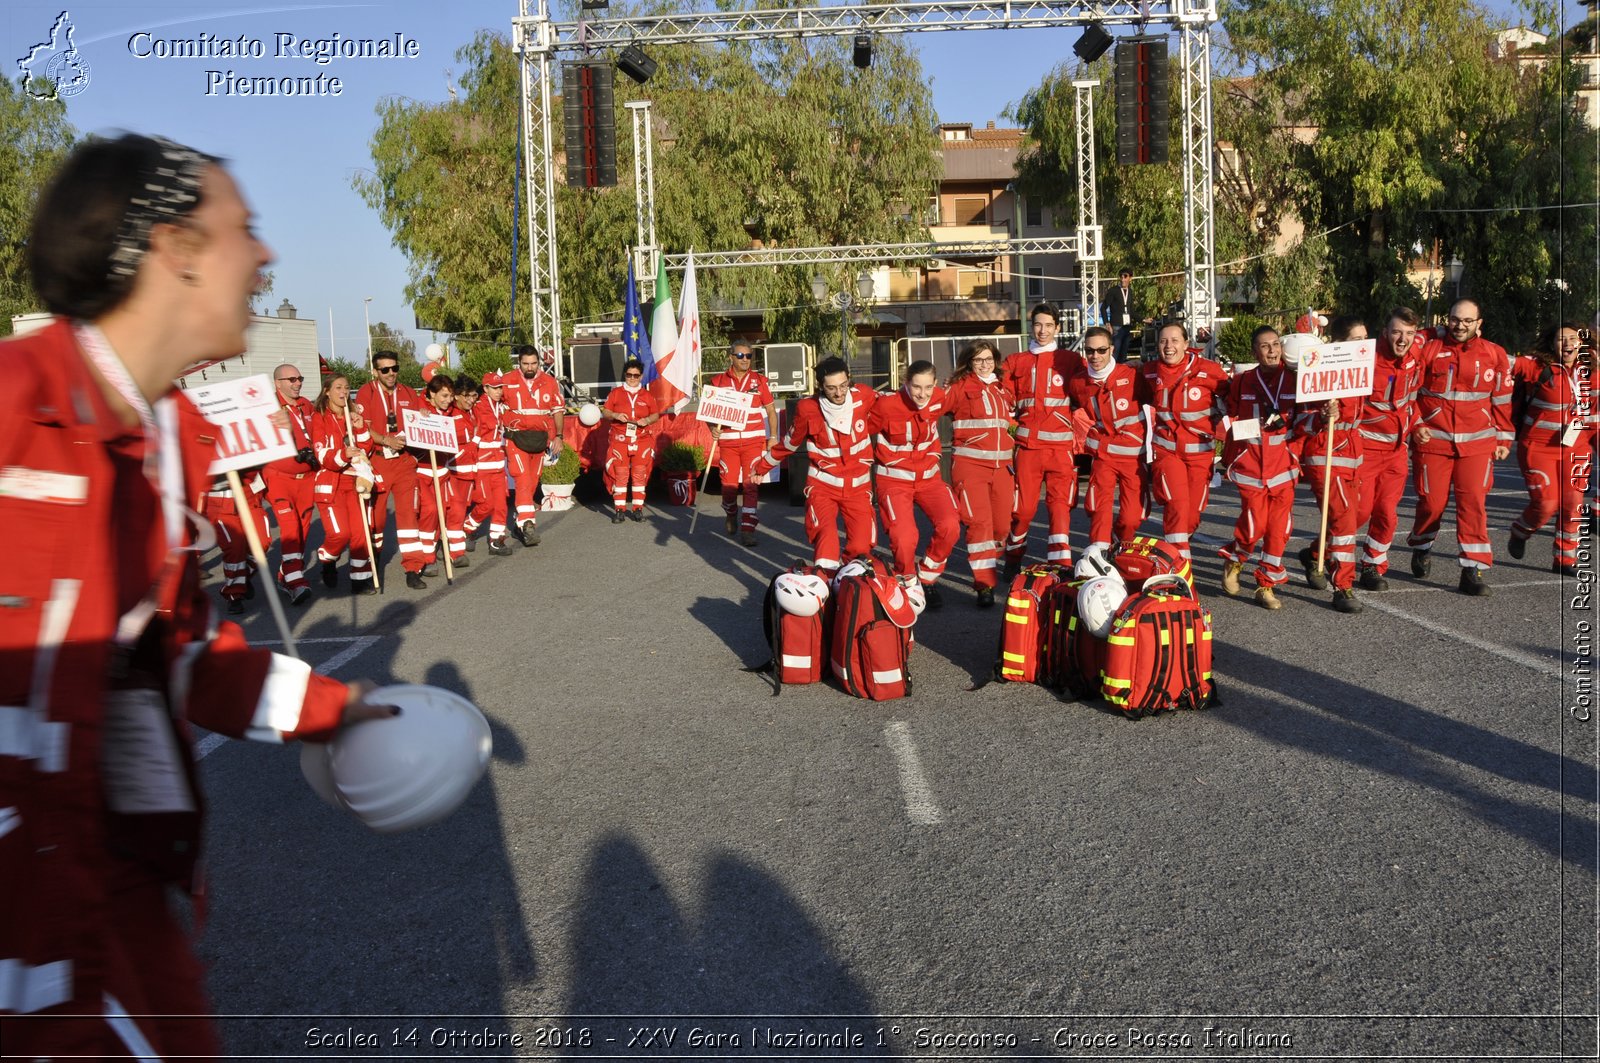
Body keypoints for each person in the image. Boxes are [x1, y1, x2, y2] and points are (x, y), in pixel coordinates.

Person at [0, 133, 394, 1058]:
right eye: (243, 230)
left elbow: (179, 650)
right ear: (174, 250)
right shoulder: (13, 407)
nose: (266, 257)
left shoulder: (175, 435)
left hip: (114, 882)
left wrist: (336, 706)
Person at [1407, 298, 1514, 595]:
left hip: (1478, 444)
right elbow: (1409, 389)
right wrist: (1417, 424)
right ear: (1447, 319)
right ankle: (1421, 544)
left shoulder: (1495, 354)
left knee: (1473, 505)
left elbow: (1502, 400)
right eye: (1455, 319)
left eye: (1468, 321)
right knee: (1432, 504)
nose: (1460, 326)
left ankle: (1473, 569)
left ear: (1479, 323)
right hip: (1433, 441)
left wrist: (1504, 437)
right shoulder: (1429, 347)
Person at [752, 356, 878, 573]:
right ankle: (825, 587)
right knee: (826, 541)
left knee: (861, 548)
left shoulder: (865, 396)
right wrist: (762, 467)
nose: (839, 393)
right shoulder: (807, 408)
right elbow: (790, 443)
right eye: (831, 388)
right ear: (820, 386)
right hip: (823, 487)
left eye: (843, 385)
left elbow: (894, 406)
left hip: (858, 487)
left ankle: (850, 589)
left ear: (849, 380)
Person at [1218, 326, 1301, 609]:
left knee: (1280, 528)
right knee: (1254, 526)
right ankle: (1235, 559)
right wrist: (1258, 426)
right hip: (1251, 465)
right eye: (1265, 346)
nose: (1272, 350)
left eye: (1276, 344)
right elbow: (1228, 422)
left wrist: (1326, 413)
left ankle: (1266, 584)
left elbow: (1304, 421)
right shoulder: (1242, 381)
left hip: (1284, 466)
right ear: (1255, 351)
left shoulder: (1294, 379)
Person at [1003, 302, 1086, 576]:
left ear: (1057, 328)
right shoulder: (1016, 361)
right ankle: (1013, 554)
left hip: (1060, 449)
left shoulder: (1071, 361)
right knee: (1023, 511)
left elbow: (1090, 387)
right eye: (1038, 324)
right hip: (1028, 449)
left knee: (1060, 507)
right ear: (1031, 326)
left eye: (1049, 325)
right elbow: (1000, 396)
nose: (1043, 330)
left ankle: (1060, 566)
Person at [1137, 321, 1230, 564]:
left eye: (1174, 340)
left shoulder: (1210, 370)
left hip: (1200, 454)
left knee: (1192, 515)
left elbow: (1235, 396)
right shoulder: (1149, 372)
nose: (1168, 346)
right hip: (1167, 452)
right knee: (1176, 507)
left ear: (1186, 344)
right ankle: (1179, 569)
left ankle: (1174, 549)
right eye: (1163, 341)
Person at [869, 359, 959, 607]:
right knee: (904, 536)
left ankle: (927, 578)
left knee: (951, 525)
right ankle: (907, 582)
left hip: (929, 478)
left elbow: (963, 395)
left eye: (928, 387)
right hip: (894, 478)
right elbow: (860, 430)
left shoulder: (940, 396)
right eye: (917, 387)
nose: (923, 394)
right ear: (905, 383)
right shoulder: (886, 405)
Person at [1509, 321, 1596, 575]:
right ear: (1551, 343)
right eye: (1561, 339)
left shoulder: (1592, 370)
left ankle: (1564, 560)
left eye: (1573, 338)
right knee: (1545, 505)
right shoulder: (1538, 368)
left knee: (1573, 504)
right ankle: (1521, 531)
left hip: (1577, 447)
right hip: (1538, 448)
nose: (1567, 343)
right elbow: (1500, 361)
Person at [1296, 315, 1369, 613]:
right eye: (1357, 341)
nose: (1363, 346)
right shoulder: (1318, 368)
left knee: (1359, 514)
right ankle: (1343, 586)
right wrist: (1323, 413)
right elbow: (1300, 419)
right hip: (1326, 454)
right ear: (1339, 344)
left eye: (1366, 339)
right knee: (1344, 521)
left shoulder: (1364, 372)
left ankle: (1315, 554)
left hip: (1353, 454)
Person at [1353, 308, 1424, 591]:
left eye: (1409, 333)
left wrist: (1417, 425)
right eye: (1397, 332)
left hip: (1396, 453)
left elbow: (1408, 402)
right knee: (1357, 513)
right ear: (1384, 332)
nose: (1403, 339)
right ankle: (1317, 552)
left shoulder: (1414, 357)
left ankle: (1372, 565)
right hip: (1366, 450)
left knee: (1387, 513)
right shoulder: (1366, 360)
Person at [945, 340, 1016, 607]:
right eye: (978, 360)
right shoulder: (959, 387)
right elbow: (929, 410)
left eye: (988, 359)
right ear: (969, 363)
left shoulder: (1003, 389)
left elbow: (1010, 423)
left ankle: (987, 563)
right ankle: (984, 583)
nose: (984, 364)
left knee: (1002, 526)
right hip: (970, 466)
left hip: (1002, 468)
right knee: (980, 525)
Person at [1067, 325, 1147, 556]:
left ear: (1111, 349)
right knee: (1098, 508)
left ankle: (1120, 543)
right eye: (1090, 351)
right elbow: (1072, 407)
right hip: (1103, 455)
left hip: (1132, 456)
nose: (1095, 356)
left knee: (1132, 517)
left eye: (1101, 350)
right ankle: (1099, 553)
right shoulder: (1078, 383)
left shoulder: (1132, 375)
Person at [356, 348, 427, 587]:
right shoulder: (366, 392)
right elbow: (362, 429)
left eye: (394, 368)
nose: (391, 373)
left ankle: (413, 566)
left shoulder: (407, 392)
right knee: (376, 516)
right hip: (378, 459)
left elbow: (418, 421)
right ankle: (372, 559)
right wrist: (386, 440)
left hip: (404, 461)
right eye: (385, 369)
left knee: (409, 514)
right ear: (376, 371)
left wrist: (424, 415)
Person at [309, 374, 377, 594]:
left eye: (346, 388)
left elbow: (367, 448)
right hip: (331, 482)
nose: (343, 392)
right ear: (327, 391)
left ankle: (360, 579)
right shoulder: (319, 416)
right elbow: (321, 453)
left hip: (354, 480)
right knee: (340, 534)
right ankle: (327, 560)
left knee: (360, 533)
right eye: (338, 387)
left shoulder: (352, 414)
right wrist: (343, 453)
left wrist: (360, 428)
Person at [707, 340, 778, 546]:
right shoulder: (718, 381)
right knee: (728, 486)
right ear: (731, 357)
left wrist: (772, 437)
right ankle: (730, 513)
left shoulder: (759, 381)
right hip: (728, 443)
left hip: (753, 442)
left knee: (750, 485)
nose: (745, 360)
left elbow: (771, 411)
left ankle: (748, 529)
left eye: (748, 356)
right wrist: (711, 428)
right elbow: (708, 413)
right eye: (740, 356)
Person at [262, 361, 317, 604]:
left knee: (303, 528)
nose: (297, 383)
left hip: (306, 479)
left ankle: (286, 574)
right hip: (279, 478)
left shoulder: (306, 405)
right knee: (289, 527)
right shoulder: (268, 406)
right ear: (278, 383)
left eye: (299, 378)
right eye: (291, 380)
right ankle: (296, 581)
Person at [502, 344, 566, 545]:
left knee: (532, 480)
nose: (530, 367)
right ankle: (529, 524)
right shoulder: (506, 381)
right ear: (519, 363)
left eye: (534, 363)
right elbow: (490, 402)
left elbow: (557, 410)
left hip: (539, 438)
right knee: (522, 478)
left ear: (539, 363)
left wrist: (559, 436)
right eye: (525, 364)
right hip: (516, 437)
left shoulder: (549, 382)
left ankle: (519, 520)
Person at [412, 375, 469, 575]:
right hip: (423, 471)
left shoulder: (452, 412)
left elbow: (464, 432)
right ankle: (427, 558)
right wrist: (420, 419)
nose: (448, 400)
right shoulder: (418, 407)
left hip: (444, 470)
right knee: (430, 512)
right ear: (432, 394)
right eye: (444, 396)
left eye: (450, 396)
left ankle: (455, 551)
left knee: (456, 508)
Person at [200, 469, 268, 614]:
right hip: (220, 502)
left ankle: (242, 576)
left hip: (250, 497)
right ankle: (234, 594)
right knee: (234, 548)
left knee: (262, 543)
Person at [601, 358, 662, 522]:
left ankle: (637, 509)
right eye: (629, 375)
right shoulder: (616, 393)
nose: (632, 379)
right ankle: (619, 510)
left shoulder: (647, 395)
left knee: (639, 474)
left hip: (642, 438)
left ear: (641, 376)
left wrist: (647, 421)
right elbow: (605, 412)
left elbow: (655, 414)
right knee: (620, 473)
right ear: (625, 375)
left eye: (636, 375)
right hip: (620, 438)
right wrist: (615, 415)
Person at [465, 369, 513, 556]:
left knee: (501, 504)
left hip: (498, 463)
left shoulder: (500, 406)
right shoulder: (477, 407)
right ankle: (467, 528)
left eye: (500, 387)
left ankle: (496, 540)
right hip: (482, 463)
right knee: (487, 504)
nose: (499, 391)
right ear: (485, 388)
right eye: (494, 387)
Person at [1101, 268, 1138, 361]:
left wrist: (1143, 319)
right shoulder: (1114, 291)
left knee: (1124, 353)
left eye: (1125, 277)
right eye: (1121, 277)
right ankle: (1112, 373)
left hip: (1127, 326)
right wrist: (1107, 324)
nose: (1123, 279)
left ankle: (1120, 372)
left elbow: (1132, 311)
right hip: (1116, 326)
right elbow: (1103, 308)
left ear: (1130, 278)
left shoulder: (1130, 292)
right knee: (1115, 353)